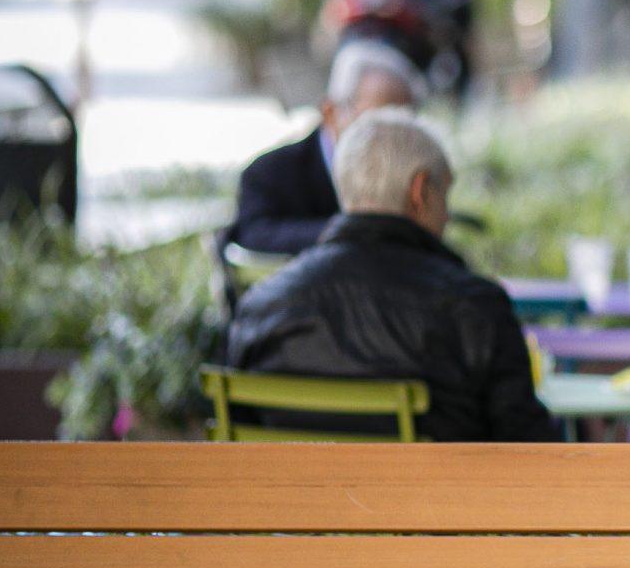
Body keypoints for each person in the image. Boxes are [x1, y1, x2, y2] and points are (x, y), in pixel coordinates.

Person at [226, 109, 555, 443]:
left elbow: (241, 438)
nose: (446, 215)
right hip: (439, 495)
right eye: (445, 194)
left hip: (298, 494)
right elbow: (530, 447)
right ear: (420, 192)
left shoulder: (260, 307)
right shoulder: (475, 308)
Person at [227, 39, 427, 256]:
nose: (393, 139)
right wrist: (353, 229)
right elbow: (252, 235)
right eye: (376, 122)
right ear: (330, 111)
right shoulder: (271, 172)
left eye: (405, 127)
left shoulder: (413, 177)